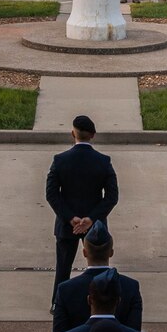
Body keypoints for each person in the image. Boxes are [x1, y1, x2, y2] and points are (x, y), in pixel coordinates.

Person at [45, 115, 119, 296]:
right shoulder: (103, 161)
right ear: (93, 135)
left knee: (63, 267)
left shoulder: (60, 160)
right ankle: (103, 299)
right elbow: (111, 197)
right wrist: (91, 219)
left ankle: (58, 302)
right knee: (99, 265)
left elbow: (51, 194)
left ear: (73, 134)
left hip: (66, 224)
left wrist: (70, 217)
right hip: (95, 226)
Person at [51, 219, 143, 332]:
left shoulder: (65, 290)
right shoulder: (131, 287)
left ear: (84, 253)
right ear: (111, 252)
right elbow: (134, 331)